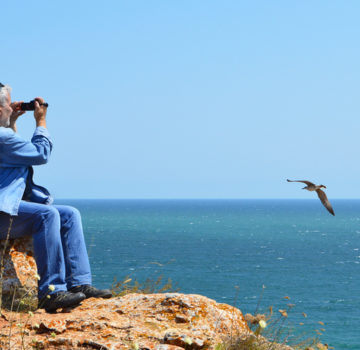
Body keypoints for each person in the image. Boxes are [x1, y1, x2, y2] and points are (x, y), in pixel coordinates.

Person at [0, 83, 112, 312]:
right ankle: (51, 292)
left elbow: (15, 155)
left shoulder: (4, 137)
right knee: (47, 215)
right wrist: (40, 121)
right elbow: (40, 154)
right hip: (3, 213)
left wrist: (12, 123)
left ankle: (79, 283)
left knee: (69, 214)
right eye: (8, 105)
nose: (13, 107)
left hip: (7, 210)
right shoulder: (2, 138)